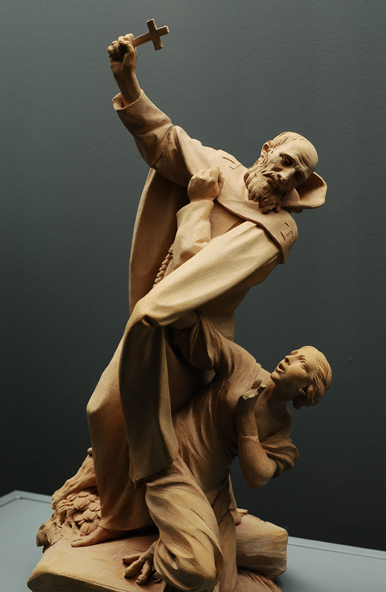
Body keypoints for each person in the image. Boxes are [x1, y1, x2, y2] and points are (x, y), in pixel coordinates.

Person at [78, 31, 328, 544]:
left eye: (297, 175)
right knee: (104, 410)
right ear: (267, 151)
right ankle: (119, 513)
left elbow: (199, 270)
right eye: (285, 161)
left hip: (191, 337)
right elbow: (168, 141)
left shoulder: (276, 232)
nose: (285, 176)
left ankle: (125, 522)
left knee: (151, 425)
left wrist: (196, 206)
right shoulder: (222, 168)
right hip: (155, 317)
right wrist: (128, 83)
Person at [117, 312, 332, 592]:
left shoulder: (281, 428)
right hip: (174, 464)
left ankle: (176, 543)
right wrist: (173, 304)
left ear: (306, 389)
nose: (288, 358)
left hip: (213, 489)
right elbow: (201, 338)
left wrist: (246, 418)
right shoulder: (245, 367)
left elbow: (258, 476)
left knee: (226, 589)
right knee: (200, 572)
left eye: (301, 363)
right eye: (293, 353)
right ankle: (170, 549)